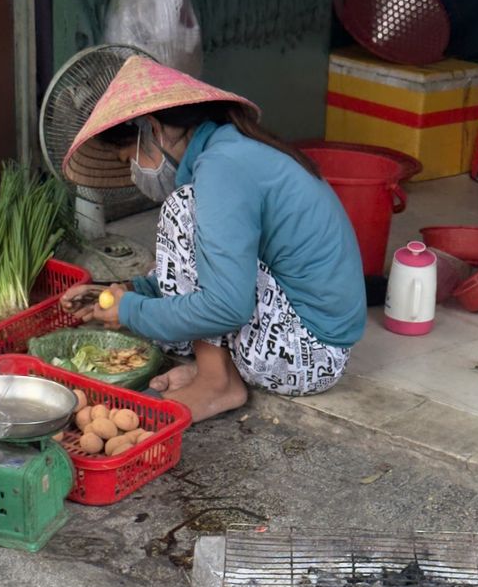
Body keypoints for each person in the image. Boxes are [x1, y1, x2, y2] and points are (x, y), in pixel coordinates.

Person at [60, 56, 366, 422]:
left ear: (152, 129)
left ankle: (215, 381)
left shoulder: (222, 168)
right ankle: (218, 372)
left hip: (310, 355)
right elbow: (220, 270)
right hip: (304, 338)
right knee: (188, 217)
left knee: (182, 207)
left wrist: (129, 310)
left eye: (130, 156)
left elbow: (228, 305)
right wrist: (132, 289)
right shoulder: (232, 150)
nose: (133, 170)